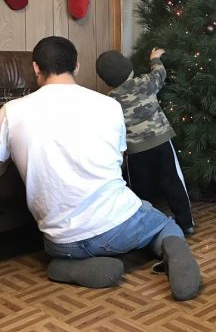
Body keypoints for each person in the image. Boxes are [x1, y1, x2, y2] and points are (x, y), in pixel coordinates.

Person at [0, 36, 200, 299]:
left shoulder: (11, 112)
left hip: (61, 241)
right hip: (121, 225)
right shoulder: (108, 106)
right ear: (77, 67)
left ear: (36, 68)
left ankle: (65, 267)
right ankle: (174, 252)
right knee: (166, 226)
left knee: (57, 257)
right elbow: (118, 157)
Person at [95, 47, 194, 236]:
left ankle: (144, 227)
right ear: (129, 69)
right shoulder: (145, 82)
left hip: (135, 151)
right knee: (173, 181)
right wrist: (155, 58)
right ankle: (186, 222)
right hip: (161, 142)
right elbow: (160, 73)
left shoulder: (110, 100)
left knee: (140, 190)